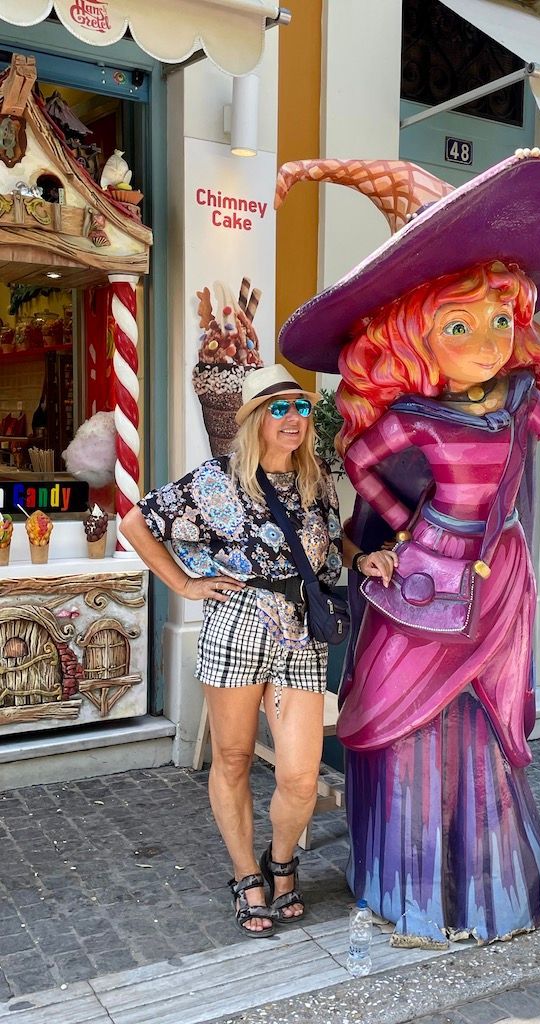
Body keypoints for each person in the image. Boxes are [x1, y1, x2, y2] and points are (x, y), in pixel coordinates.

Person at [271, 150, 540, 946]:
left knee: (483, 719)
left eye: (501, 320)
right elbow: (360, 461)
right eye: (459, 326)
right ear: (413, 337)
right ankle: (410, 885)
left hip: (499, 582)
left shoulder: (521, 400)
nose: (488, 341)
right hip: (424, 582)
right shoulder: (413, 417)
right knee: (399, 714)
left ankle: (488, 885)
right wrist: (405, 527)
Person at [121, 365, 395, 936]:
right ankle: (248, 874)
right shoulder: (215, 480)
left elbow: (327, 545)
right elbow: (135, 524)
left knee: (299, 775)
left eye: (301, 407)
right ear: (253, 420)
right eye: (279, 408)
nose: (294, 418)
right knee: (233, 758)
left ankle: (282, 859)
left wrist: (361, 557)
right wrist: (184, 584)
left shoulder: (318, 480)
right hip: (238, 624)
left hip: (300, 632)